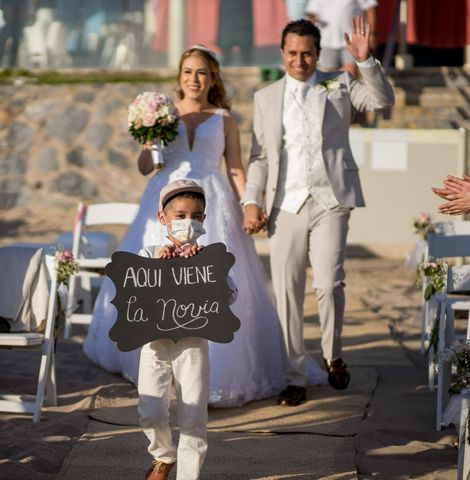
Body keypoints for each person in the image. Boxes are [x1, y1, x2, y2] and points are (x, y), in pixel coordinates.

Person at [84, 44, 317, 408]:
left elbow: (236, 168)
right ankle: (156, 365)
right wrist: (148, 139)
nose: (194, 79)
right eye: (188, 72)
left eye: (202, 72)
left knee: (212, 281)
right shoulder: (161, 114)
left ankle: (217, 370)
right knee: (157, 279)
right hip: (165, 200)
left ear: (213, 78)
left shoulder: (224, 118)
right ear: (180, 77)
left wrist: (249, 204)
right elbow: (147, 167)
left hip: (212, 202)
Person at [242, 18, 394, 406]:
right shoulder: (265, 97)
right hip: (284, 205)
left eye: (307, 53)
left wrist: (366, 62)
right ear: (282, 53)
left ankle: (333, 354)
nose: (299, 60)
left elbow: (381, 101)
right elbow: (259, 156)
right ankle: (294, 375)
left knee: (329, 284)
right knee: (288, 294)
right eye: (292, 53)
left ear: (318, 53)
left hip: (331, 200)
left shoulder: (339, 85)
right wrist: (252, 200)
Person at [139, 179, 229, 480]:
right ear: (163, 219)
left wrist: (204, 269)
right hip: (154, 344)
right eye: (180, 215)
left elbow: (230, 295)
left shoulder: (211, 258)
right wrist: (157, 268)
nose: (188, 221)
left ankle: (188, 475)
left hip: (193, 345)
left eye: (195, 216)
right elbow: (132, 295)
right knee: (150, 411)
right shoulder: (147, 253)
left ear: (204, 219)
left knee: (193, 413)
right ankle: (163, 456)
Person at [306, 0, 377, 77]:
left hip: (352, 39)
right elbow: (312, 12)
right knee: (329, 78)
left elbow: (370, 7)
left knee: (350, 75)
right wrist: (312, 20)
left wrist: (372, 34)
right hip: (326, 41)